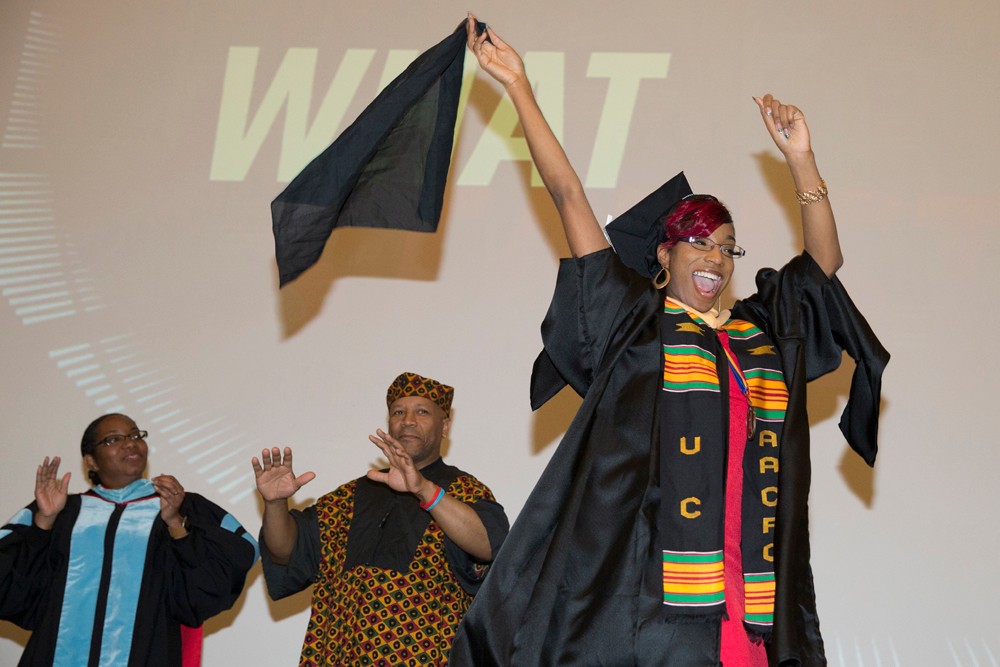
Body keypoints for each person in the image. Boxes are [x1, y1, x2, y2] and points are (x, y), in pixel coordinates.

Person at [451, 16, 888, 666]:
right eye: (697, 241)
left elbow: (821, 263)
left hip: (749, 601)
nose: (714, 257)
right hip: (654, 607)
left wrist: (801, 160)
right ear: (664, 253)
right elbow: (569, 196)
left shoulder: (757, 334)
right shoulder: (638, 323)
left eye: (725, 245)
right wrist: (519, 89)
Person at [253, 372, 509, 666]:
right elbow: (285, 552)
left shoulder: (464, 491)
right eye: (398, 412)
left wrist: (424, 490)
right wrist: (274, 504)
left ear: (445, 426)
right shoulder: (346, 498)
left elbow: (491, 545)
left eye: (422, 411)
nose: (408, 420)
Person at [0, 413, 259, 667]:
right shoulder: (63, 510)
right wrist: (44, 523)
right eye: (113, 439)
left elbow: (215, 578)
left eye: (136, 435)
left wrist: (176, 524)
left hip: (146, 652)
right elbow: (14, 589)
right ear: (91, 461)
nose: (130, 442)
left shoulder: (180, 505)